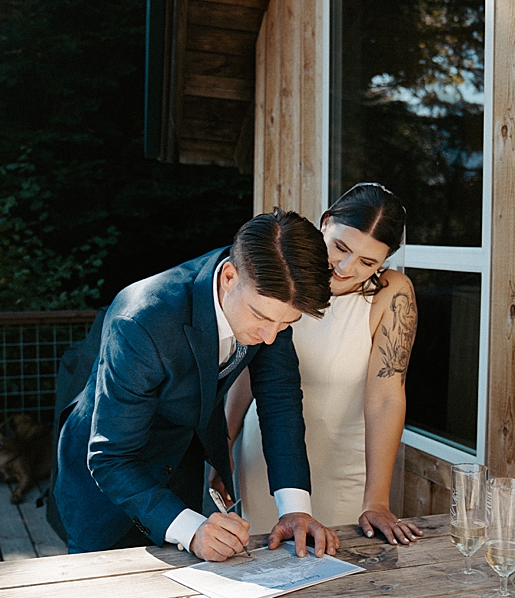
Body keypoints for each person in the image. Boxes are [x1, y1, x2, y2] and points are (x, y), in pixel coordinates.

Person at [52, 209, 342, 562]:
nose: (270, 338)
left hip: (180, 460)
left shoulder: (271, 295)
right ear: (230, 277)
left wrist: (295, 508)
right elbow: (110, 457)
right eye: (262, 318)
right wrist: (191, 529)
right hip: (105, 477)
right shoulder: (141, 321)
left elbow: (279, 400)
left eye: (286, 323)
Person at [225, 183, 423, 546]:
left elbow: (385, 397)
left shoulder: (392, 294)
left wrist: (376, 499)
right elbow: (249, 369)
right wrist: (224, 443)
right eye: (341, 247)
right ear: (325, 223)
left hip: (344, 462)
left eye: (368, 262)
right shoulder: (286, 268)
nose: (346, 268)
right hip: (267, 454)